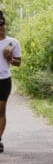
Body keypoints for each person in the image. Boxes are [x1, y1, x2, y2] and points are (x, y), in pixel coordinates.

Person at [0, 11, 23, 154]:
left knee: (1, 110)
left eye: (3, 28)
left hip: (4, 80)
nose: (2, 30)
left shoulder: (12, 42)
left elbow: (18, 63)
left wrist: (9, 58)